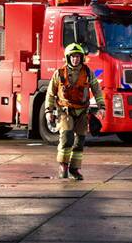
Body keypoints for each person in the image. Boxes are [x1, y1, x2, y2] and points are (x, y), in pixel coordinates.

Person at [45, 43, 105, 180]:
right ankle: (63, 166)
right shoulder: (59, 73)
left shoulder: (88, 73)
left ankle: (74, 168)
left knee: (80, 141)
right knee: (67, 138)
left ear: (82, 58)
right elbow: (50, 93)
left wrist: (101, 107)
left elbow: (97, 90)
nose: (75, 59)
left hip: (82, 112)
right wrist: (49, 111)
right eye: (72, 57)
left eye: (78, 56)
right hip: (65, 111)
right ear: (68, 58)